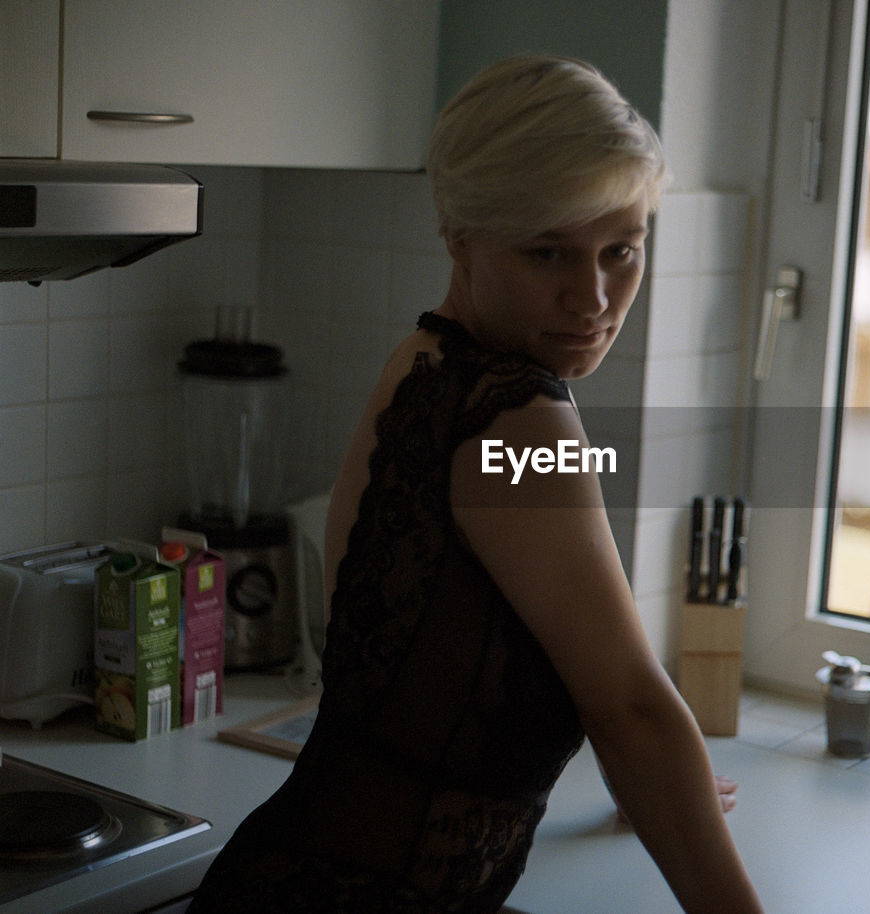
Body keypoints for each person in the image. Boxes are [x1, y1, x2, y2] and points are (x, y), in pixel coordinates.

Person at [188, 55, 763, 913]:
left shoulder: (426, 364)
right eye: (547, 252)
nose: (594, 297)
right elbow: (632, 709)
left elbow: (562, 656)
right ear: (460, 235)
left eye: (622, 252)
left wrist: (656, 789)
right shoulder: (523, 416)